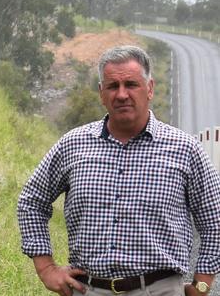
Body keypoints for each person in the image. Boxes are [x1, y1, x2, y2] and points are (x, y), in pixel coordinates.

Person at [17, 45, 220, 296]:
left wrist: (202, 285)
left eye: (131, 84)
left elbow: (214, 221)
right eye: (113, 86)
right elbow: (31, 202)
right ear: (102, 93)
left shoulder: (185, 149)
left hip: (160, 289)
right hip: (88, 289)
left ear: (150, 88)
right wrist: (46, 268)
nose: (122, 94)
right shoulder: (73, 145)